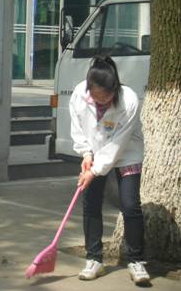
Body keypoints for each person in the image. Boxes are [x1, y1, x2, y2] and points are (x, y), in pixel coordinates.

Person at [71, 55, 149, 285]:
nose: (100, 102)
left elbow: (117, 144)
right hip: (94, 151)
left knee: (130, 204)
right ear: (88, 87)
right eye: (96, 97)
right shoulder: (78, 94)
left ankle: (136, 260)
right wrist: (86, 154)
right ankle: (94, 258)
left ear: (114, 88)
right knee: (91, 203)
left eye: (105, 98)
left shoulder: (130, 100)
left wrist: (94, 170)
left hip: (126, 152)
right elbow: (77, 128)